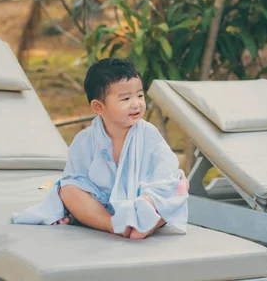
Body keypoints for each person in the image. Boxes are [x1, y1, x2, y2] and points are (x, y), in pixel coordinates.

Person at [12, 58, 189, 239]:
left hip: (142, 197)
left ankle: (145, 223)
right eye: (126, 98)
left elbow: (164, 171)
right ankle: (113, 225)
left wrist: (149, 198)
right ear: (99, 107)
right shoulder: (85, 140)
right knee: (67, 189)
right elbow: (76, 177)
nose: (136, 103)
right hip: (104, 205)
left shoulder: (149, 133)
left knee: (175, 187)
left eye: (140, 95)